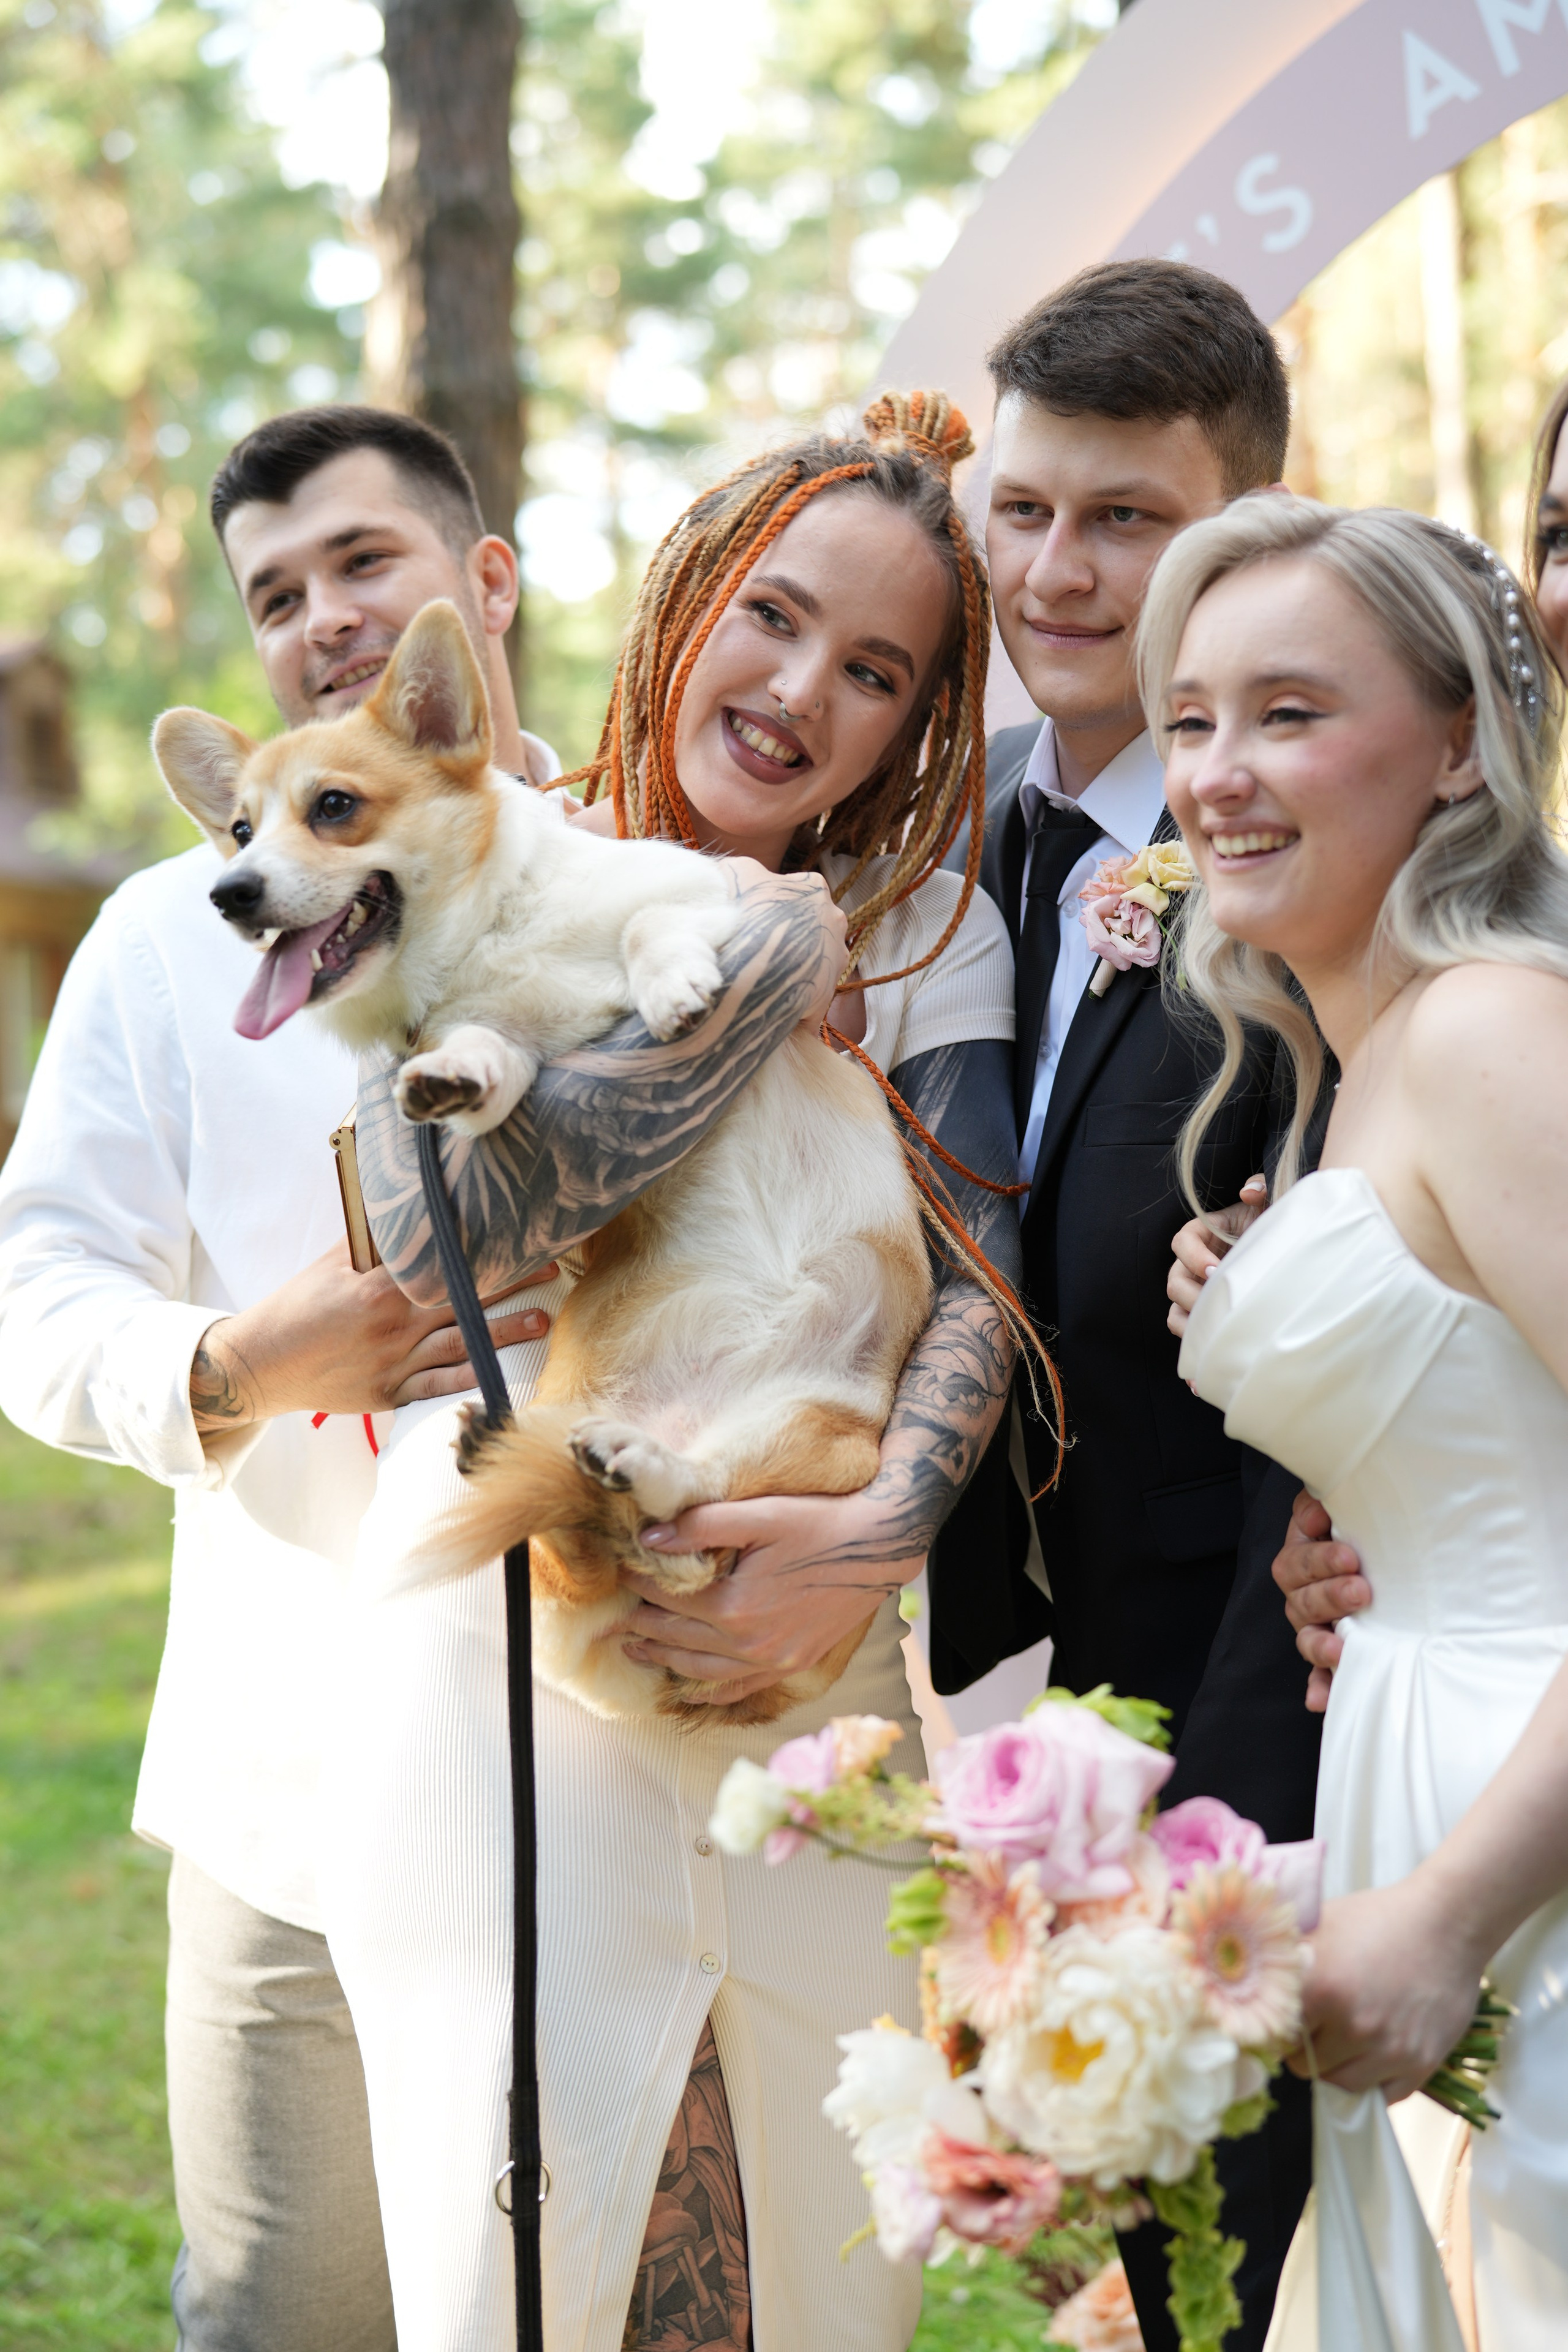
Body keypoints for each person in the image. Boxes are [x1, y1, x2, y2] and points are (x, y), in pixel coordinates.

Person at [0, 404, 839, 2352]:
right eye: (272, 594)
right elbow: (32, 1288)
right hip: (292, 1771)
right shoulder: (167, 939)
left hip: (626, 1758)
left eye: (361, 561)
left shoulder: (649, 886)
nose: (317, 617)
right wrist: (238, 1362)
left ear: (484, 584)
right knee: (291, 2308)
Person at [328, 391, 1021, 2351]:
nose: (803, 692)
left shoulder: (940, 934)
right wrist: (762, 974)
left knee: (809, 2235)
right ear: (688, 596)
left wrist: (879, 1529)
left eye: (874, 669)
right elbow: (443, 1237)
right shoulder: (479, 853)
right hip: (519, 1633)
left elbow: (983, 1276)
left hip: (812, 1634)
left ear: (916, 722)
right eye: (775, 616)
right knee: (556, 2218)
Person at [926, 259, 1322, 2351]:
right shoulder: (973, 827)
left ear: (1245, 528)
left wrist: (1231, 1811)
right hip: (1038, 1696)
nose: (1055, 572)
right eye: (1023, 509)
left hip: (1249, 1716)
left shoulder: (1302, 863)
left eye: (1125, 520)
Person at [1158, 492, 1568, 2346]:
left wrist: (1457, 1913)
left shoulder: (1487, 1035)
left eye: (1290, 713)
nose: (1217, 774)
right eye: (1190, 719)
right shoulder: (1347, 1067)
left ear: (1459, 745)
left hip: (1515, 1812)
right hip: (1409, 1762)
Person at [1257, 371, 1568, 1706]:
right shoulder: (1441, 1012)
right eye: (1559, 537)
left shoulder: (1484, 1021)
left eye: (1284, 713)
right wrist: (1409, 1525)